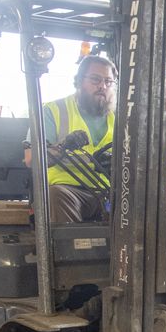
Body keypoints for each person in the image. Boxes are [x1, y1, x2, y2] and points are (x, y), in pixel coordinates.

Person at [42, 54, 116, 223]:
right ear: (78, 81)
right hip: (69, 190)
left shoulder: (119, 118)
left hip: (108, 192)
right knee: (57, 195)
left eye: (108, 82)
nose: (102, 86)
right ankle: (70, 249)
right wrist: (63, 146)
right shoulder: (53, 111)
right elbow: (32, 159)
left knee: (159, 200)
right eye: (95, 80)